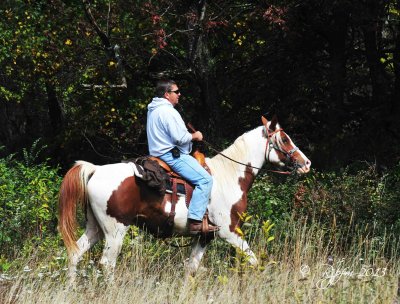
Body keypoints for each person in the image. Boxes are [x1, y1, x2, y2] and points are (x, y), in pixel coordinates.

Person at [146, 79, 219, 235]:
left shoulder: (153, 110)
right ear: (167, 94)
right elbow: (179, 138)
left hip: (156, 154)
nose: (179, 94)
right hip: (171, 155)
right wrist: (196, 136)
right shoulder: (168, 111)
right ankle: (195, 221)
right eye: (176, 92)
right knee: (206, 180)